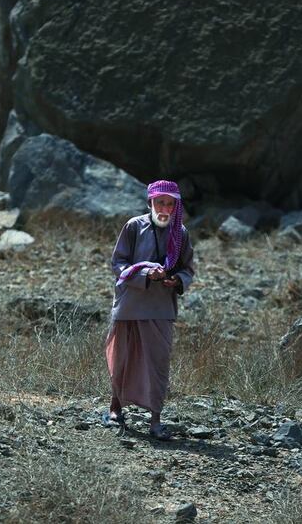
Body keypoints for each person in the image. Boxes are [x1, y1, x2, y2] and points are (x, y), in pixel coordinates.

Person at [103, 180, 194, 440]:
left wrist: (176, 281)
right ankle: (114, 409)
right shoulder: (134, 226)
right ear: (150, 203)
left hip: (160, 308)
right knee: (122, 360)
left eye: (170, 203)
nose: (164, 208)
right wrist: (145, 273)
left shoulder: (182, 233)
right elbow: (118, 263)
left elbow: (187, 269)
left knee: (158, 365)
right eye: (160, 202)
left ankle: (155, 421)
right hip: (130, 305)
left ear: (176, 206)